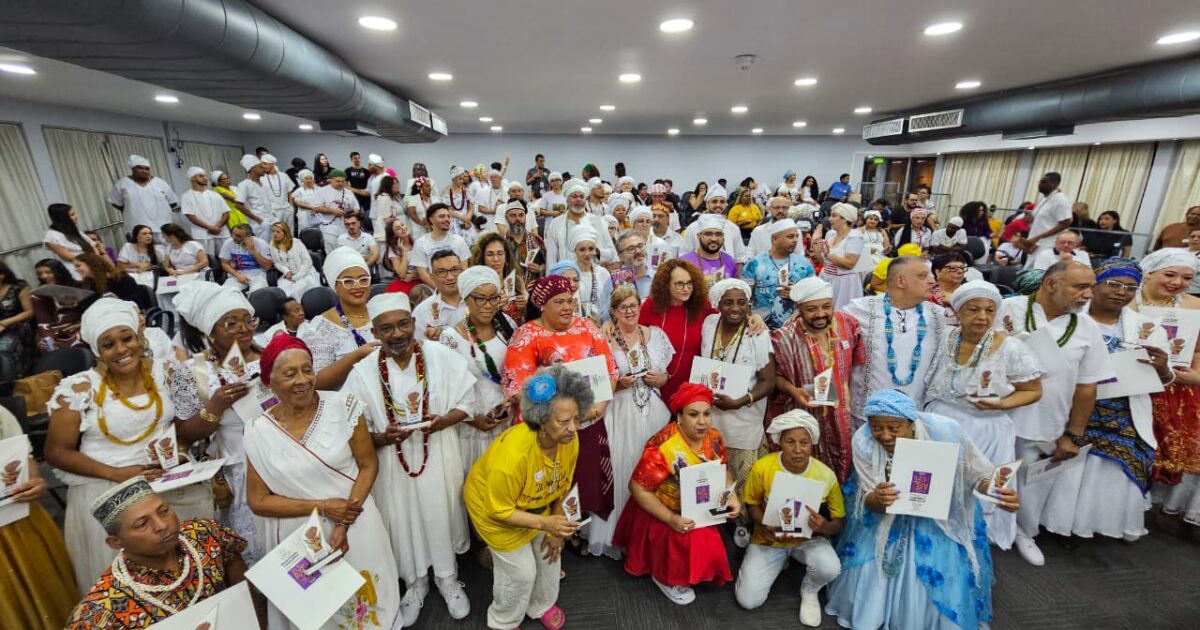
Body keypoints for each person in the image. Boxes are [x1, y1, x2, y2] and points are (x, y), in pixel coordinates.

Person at [45, 299, 214, 592]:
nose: (121, 350)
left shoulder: (166, 371)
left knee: (189, 568)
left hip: (167, 481)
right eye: (108, 344)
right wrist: (119, 475)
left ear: (139, 338)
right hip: (106, 487)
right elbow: (56, 453)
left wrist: (180, 449)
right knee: (133, 586)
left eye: (127, 338)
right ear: (97, 351)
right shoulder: (78, 389)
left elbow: (180, 425)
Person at [243, 335, 402, 629]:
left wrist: (342, 523)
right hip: (302, 537)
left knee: (367, 606)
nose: (302, 380)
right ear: (269, 381)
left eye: (307, 369)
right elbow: (259, 501)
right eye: (290, 374)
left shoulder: (344, 405)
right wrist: (325, 507)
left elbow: (368, 466)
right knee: (321, 615)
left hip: (354, 523)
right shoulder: (257, 430)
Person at [825, 390, 1018, 630]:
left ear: (911, 422)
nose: (884, 436)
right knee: (870, 561)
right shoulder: (864, 440)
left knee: (941, 561)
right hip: (887, 515)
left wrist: (995, 492)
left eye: (894, 428)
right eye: (876, 427)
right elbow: (868, 497)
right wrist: (878, 498)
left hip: (938, 511)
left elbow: (977, 473)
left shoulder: (945, 431)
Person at [342, 292, 477, 624]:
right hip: (392, 465)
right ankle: (415, 583)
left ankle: (448, 579)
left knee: (441, 514)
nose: (398, 333)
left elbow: (468, 402)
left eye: (403, 324)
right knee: (402, 522)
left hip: (439, 453)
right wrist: (381, 438)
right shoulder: (362, 372)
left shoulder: (441, 356)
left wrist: (446, 420)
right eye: (386, 328)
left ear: (414, 323)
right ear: (374, 333)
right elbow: (355, 430)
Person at [994, 261, 1111, 566]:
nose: (1088, 294)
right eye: (1079, 287)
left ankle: (1023, 531)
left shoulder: (1087, 327)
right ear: (1050, 284)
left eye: (1091, 287)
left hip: (1048, 420)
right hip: (996, 416)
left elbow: (1087, 387)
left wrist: (1073, 434)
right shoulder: (1007, 308)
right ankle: (983, 529)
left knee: (1032, 483)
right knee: (991, 473)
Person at [465, 365, 588, 630]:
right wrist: (547, 525)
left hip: (538, 504)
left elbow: (563, 486)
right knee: (521, 574)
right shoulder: (513, 457)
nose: (572, 428)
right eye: (563, 421)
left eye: (576, 419)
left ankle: (540, 605)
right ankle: (504, 620)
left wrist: (555, 531)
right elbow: (499, 511)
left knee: (550, 555)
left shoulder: (570, 441)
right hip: (495, 510)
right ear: (542, 419)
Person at [924, 280, 1043, 548]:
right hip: (941, 424)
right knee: (940, 488)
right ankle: (937, 540)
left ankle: (973, 543)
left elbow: (1033, 390)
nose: (982, 317)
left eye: (990, 311)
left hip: (986, 428)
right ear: (957, 312)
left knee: (981, 490)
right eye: (973, 310)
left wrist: (1001, 405)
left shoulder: (1011, 347)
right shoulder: (946, 337)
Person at [504, 275, 618, 546]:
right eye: (559, 302)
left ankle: (573, 529)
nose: (568, 307)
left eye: (570, 300)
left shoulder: (587, 328)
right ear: (542, 305)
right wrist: (558, 416)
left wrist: (597, 408)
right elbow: (516, 388)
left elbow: (610, 370)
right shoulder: (527, 335)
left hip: (588, 421)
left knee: (582, 479)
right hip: (546, 431)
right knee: (547, 485)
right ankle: (547, 536)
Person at [612, 383, 741, 605]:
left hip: (699, 505)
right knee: (685, 544)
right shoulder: (663, 447)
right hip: (664, 510)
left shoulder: (715, 437)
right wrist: (671, 518)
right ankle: (666, 579)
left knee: (706, 543)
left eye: (707, 414)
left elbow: (724, 469)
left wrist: (732, 494)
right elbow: (637, 488)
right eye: (693, 414)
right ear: (679, 416)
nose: (702, 421)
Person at [1073, 259, 1173, 541]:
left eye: (1130, 287)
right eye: (1114, 284)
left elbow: (1165, 380)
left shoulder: (1148, 327)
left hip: (1123, 406)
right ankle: (1060, 521)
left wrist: (1162, 367)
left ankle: (1099, 521)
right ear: (1096, 284)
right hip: (1074, 403)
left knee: (1129, 447)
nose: (1121, 292)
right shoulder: (1069, 319)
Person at [168, 282, 267, 563]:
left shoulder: (273, 356)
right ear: (209, 332)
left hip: (290, 456)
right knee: (257, 551)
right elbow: (185, 434)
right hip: (241, 468)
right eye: (231, 323)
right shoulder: (195, 373)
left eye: (248, 320)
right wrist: (215, 407)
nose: (244, 328)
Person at [64, 479, 249, 629]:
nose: (162, 525)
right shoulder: (102, 611)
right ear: (115, 542)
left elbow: (237, 571)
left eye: (164, 511)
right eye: (142, 524)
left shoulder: (203, 533)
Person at [734, 410, 844, 627]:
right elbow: (752, 504)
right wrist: (764, 524)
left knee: (830, 567)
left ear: (812, 443)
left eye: (804, 442)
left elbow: (839, 522)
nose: (797, 450)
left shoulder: (825, 474)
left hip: (808, 538)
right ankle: (779, 558)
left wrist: (824, 527)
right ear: (779, 442)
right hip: (769, 538)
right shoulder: (764, 467)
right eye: (790, 441)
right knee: (748, 601)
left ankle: (810, 589)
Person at [589, 285, 675, 559]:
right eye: (622, 307)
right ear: (613, 311)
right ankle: (620, 533)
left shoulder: (656, 336)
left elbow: (667, 375)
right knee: (622, 469)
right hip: (620, 413)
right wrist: (618, 386)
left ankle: (650, 532)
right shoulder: (604, 339)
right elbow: (595, 385)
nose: (629, 311)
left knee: (653, 471)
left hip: (653, 411)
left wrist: (660, 379)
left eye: (633, 306)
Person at [700, 279, 775, 547]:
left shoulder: (758, 333)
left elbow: (769, 381)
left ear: (749, 305)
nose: (735, 308)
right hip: (711, 416)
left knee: (743, 478)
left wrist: (741, 401)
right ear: (717, 304)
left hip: (743, 418)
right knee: (715, 473)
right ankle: (717, 523)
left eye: (741, 302)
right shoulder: (709, 324)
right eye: (728, 302)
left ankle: (743, 526)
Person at [768, 277, 863, 482]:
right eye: (811, 309)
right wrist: (793, 391)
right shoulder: (784, 337)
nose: (820, 314)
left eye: (826, 307)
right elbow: (773, 377)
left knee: (842, 464)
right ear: (799, 309)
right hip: (803, 412)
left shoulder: (849, 324)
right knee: (804, 468)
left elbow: (858, 368)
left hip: (840, 414)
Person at [1134, 249, 1200, 532]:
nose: (1178, 282)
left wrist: (1195, 375)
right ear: (1149, 272)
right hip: (1132, 381)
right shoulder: (1128, 300)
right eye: (1170, 274)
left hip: (1176, 387)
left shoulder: (1194, 307)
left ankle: (1144, 507)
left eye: (1187, 277)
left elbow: (1197, 349)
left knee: (1163, 450)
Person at [845, 256, 949, 424]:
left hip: (915, 417)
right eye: (923, 276)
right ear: (901, 280)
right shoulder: (858, 310)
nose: (932, 281)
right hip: (865, 418)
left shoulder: (940, 315)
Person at [437, 266, 518, 473]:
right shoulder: (451, 338)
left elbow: (519, 368)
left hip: (508, 422)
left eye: (493, 298)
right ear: (466, 298)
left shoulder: (506, 325)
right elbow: (446, 389)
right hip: (473, 429)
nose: (488, 306)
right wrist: (472, 419)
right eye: (480, 299)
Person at [297, 247, 379, 390]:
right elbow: (316, 383)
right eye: (348, 281)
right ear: (335, 285)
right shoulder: (319, 328)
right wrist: (356, 357)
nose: (357, 286)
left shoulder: (383, 312)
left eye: (363, 279)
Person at [741, 218, 815, 329]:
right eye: (790, 236)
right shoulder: (755, 263)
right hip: (761, 327)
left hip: (795, 326)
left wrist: (796, 293)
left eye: (796, 236)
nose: (795, 240)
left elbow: (814, 294)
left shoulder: (804, 263)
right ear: (775, 239)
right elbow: (744, 297)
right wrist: (749, 319)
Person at [544, 179, 617, 267]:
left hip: (593, 276)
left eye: (582, 197)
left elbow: (611, 253)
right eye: (574, 196)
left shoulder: (598, 221)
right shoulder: (556, 224)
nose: (578, 199)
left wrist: (596, 251)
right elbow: (551, 258)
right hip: (566, 275)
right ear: (567, 200)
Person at [107, 155, 178, 240]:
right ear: (133, 169)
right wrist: (131, 210)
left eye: (147, 169)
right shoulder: (122, 184)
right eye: (140, 168)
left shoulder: (160, 183)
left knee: (167, 251)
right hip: (136, 229)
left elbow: (173, 202)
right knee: (141, 252)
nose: (144, 171)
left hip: (163, 228)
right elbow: (116, 203)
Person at [1015, 172, 1074, 265]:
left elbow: (1066, 222)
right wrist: (1029, 219)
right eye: (1040, 181)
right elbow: (1043, 221)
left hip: (1048, 246)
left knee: (1039, 274)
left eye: (1043, 181)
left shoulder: (1060, 199)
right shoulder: (1044, 199)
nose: (1040, 184)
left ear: (1054, 184)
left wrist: (1039, 237)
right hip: (1036, 244)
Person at [814, 203, 865, 310]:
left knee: (840, 314)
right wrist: (816, 241)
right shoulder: (831, 235)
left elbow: (849, 264)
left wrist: (828, 254)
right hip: (827, 279)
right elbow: (821, 261)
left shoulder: (854, 236)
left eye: (834, 215)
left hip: (844, 284)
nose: (830, 219)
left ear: (845, 218)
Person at [680, 185, 748, 265]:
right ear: (707, 204)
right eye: (714, 201)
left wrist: (736, 277)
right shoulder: (693, 228)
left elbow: (739, 258)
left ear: (726, 204)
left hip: (728, 274)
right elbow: (684, 256)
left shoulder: (733, 228)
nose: (718, 205)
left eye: (722, 202)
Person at [472, 231, 528, 323]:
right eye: (490, 254)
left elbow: (525, 318)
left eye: (500, 253)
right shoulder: (476, 285)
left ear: (506, 256)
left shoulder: (517, 280)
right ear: (482, 258)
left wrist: (523, 308)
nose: (496, 259)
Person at [411, 203, 472, 287]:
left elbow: (464, 269)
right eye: (442, 216)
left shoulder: (459, 240)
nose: (447, 219)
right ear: (432, 220)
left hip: (457, 288)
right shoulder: (420, 243)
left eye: (448, 216)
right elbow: (423, 274)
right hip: (434, 290)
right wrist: (441, 290)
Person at [412, 250, 466, 341]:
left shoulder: (478, 301)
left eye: (455, 270)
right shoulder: (421, 312)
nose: (450, 277)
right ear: (432, 276)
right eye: (442, 272)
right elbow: (419, 348)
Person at [178, 166, 231, 257]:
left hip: (221, 232)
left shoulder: (215, 195)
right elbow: (191, 217)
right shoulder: (186, 196)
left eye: (206, 176)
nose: (205, 178)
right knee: (209, 261)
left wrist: (217, 227)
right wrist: (210, 227)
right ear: (193, 178)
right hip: (202, 235)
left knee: (228, 258)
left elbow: (226, 213)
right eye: (201, 176)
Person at [43, 203, 106, 275]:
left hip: (93, 264)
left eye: (74, 213)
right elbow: (69, 256)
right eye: (72, 215)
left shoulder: (73, 229)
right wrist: (92, 262)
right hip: (77, 270)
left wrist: (97, 260)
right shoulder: (51, 236)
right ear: (62, 217)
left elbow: (92, 245)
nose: (76, 216)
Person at [681, 215, 739, 289]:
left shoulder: (729, 260)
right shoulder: (684, 261)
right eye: (708, 234)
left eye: (718, 234)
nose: (714, 239)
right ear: (699, 236)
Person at [0, 261, 35, 380]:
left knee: (5, 349)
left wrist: (5, 323)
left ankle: (18, 380)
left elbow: (29, 311)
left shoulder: (18, 287)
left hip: (17, 325)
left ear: (2, 275)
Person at [569, 228, 612, 322]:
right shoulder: (568, 274)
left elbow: (610, 302)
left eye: (591, 249)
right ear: (575, 251)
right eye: (582, 250)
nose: (587, 254)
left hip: (600, 324)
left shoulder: (603, 273)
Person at [313, 169, 361, 253]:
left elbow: (357, 209)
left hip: (347, 227)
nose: (341, 184)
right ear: (330, 180)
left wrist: (349, 213)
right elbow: (316, 208)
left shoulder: (348, 192)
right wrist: (332, 211)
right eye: (338, 181)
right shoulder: (322, 191)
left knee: (347, 252)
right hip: (329, 227)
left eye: (343, 181)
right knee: (332, 252)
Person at [268, 221, 320, 299]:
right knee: (281, 292)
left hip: (305, 273)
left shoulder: (296, 243)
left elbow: (308, 262)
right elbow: (276, 262)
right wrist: (286, 271)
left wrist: (296, 277)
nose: (275, 234)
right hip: (289, 275)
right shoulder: (272, 244)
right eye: (273, 231)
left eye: (278, 232)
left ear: (285, 232)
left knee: (297, 291)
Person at [218, 223, 272, 292]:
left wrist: (253, 251)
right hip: (237, 274)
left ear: (248, 236)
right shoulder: (228, 242)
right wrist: (237, 275)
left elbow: (268, 266)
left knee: (258, 292)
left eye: (238, 236)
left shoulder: (261, 243)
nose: (234, 237)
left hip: (258, 275)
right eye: (233, 234)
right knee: (226, 291)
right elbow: (225, 264)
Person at [75, 253, 141, 304]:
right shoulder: (88, 283)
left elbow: (136, 301)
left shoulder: (122, 279)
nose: (76, 270)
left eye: (78, 266)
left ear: (90, 264)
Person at [232, 155, 270, 240]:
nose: (263, 168)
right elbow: (238, 205)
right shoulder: (244, 185)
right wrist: (258, 220)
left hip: (270, 220)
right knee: (262, 248)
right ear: (252, 168)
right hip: (258, 224)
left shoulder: (264, 184)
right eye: (260, 167)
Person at [259, 154, 295, 232]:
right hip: (273, 211)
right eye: (262, 164)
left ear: (272, 164)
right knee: (276, 233)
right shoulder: (261, 178)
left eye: (265, 164)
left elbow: (290, 192)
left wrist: (291, 206)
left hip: (286, 209)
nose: (263, 166)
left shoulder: (284, 176)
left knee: (289, 232)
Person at [929, 253, 969, 323]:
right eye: (953, 268)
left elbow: (974, 320)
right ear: (938, 272)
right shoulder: (925, 292)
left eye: (962, 268)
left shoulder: (969, 292)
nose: (960, 271)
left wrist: (954, 303)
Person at [613, 232, 654, 298]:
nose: (638, 251)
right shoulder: (614, 282)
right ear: (620, 257)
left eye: (640, 246)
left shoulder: (659, 278)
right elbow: (606, 308)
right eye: (631, 249)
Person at [384, 217, 420, 293]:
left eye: (402, 225)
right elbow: (401, 274)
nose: (402, 228)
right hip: (405, 284)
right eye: (398, 229)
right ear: (394, 235)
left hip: (422, 279)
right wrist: (404, 253)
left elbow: (428, 267)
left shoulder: (418, 242)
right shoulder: (393, 249)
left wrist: (414, 275)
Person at [444, 166, 478, 241]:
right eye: (460, 179)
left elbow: (471, 206)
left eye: (463, 179)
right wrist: (462, 218)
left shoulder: (466, 191)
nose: (462, 181)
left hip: (466, 222)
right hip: (453, 223)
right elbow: (448, 209)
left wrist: (468, 217)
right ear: (454, 179)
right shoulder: (446, 191)